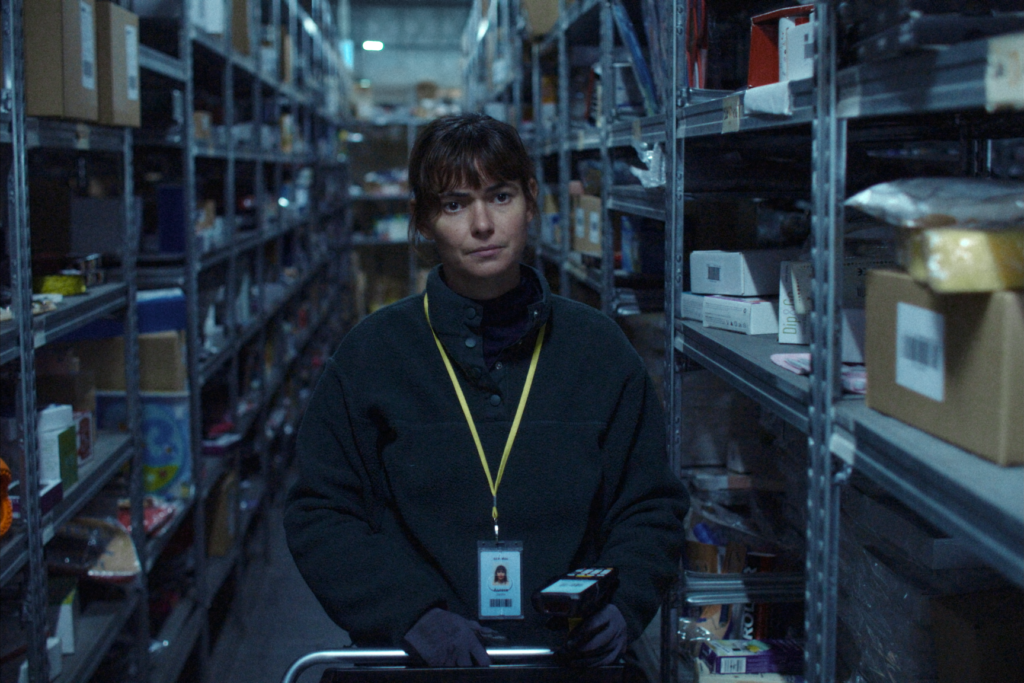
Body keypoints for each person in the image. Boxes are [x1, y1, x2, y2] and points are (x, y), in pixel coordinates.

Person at [284, 113, 688, 671]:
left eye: (500, 197)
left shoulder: (599, 350)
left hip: (567, 661)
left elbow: (650, 504)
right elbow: (321, 511)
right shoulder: (372, 355)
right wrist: (409, 613)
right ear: (423, 221)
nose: (482, 224)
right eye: (454, 205)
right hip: (418, 664)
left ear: (531, 201)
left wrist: (626, 600)